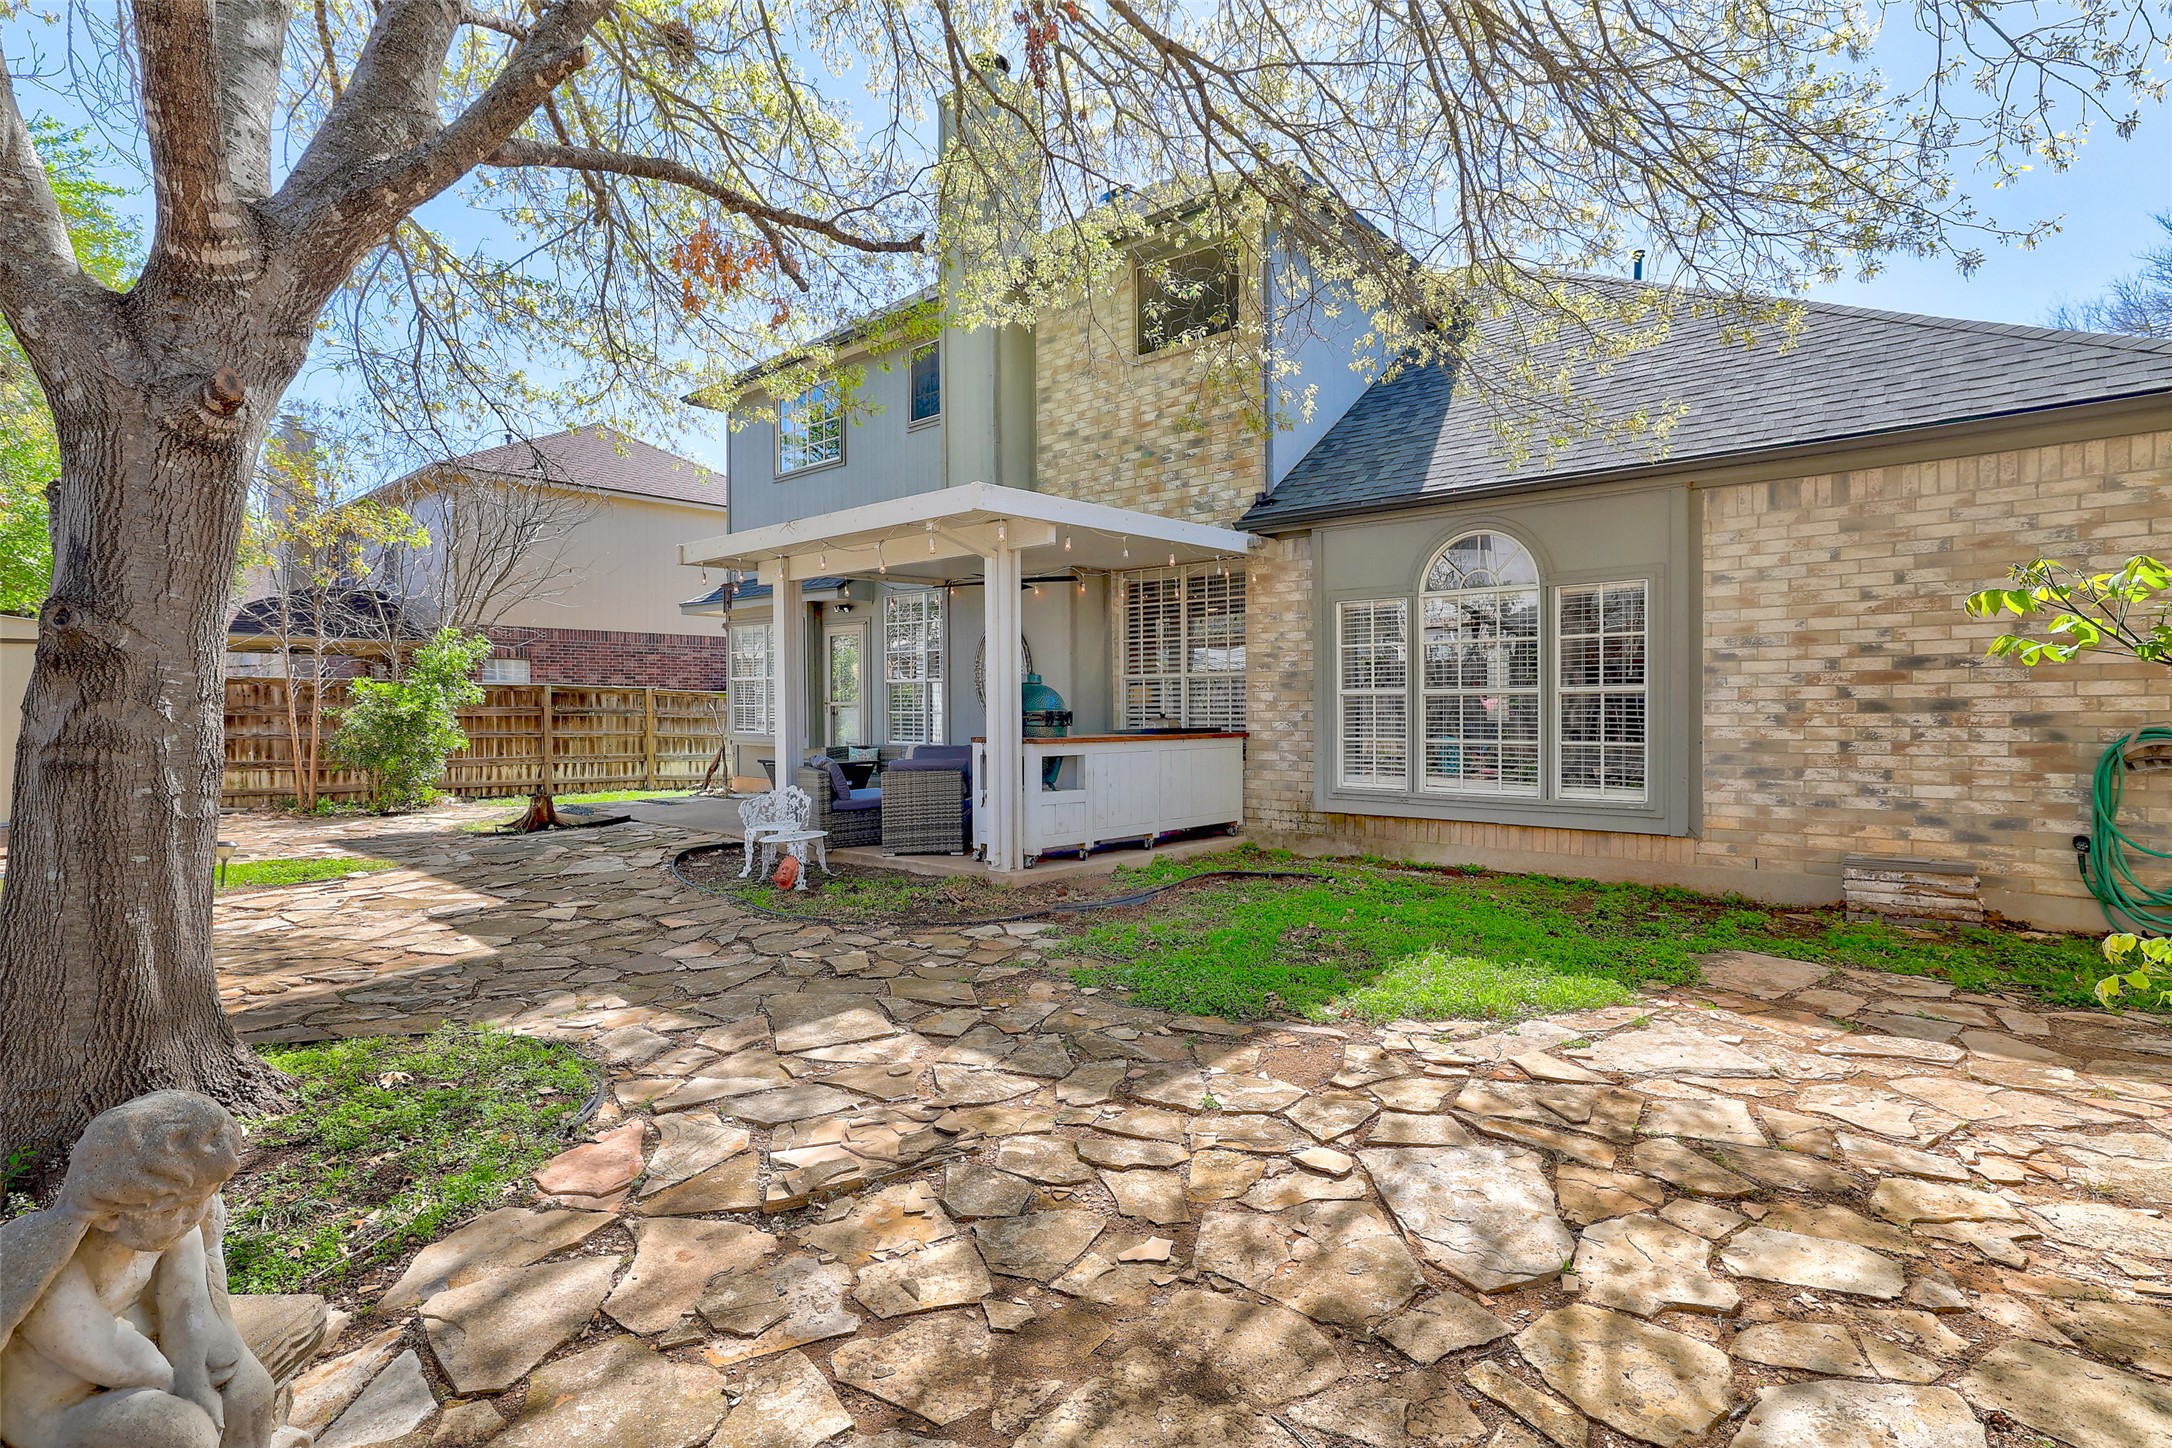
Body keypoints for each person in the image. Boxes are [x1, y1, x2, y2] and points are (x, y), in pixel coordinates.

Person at [0, 1091, 301, 1448]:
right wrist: (184, 1390)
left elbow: (189, 1311)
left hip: (152, 1372)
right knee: (182, 1430)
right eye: (173, 1211)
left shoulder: (171, 1231)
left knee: (250, 1391)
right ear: (112, 1213)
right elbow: (106, 1353)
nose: (190, 1218)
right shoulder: (54, 1260)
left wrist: (197, 1380)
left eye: (200, 1202)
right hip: (59, 1409)